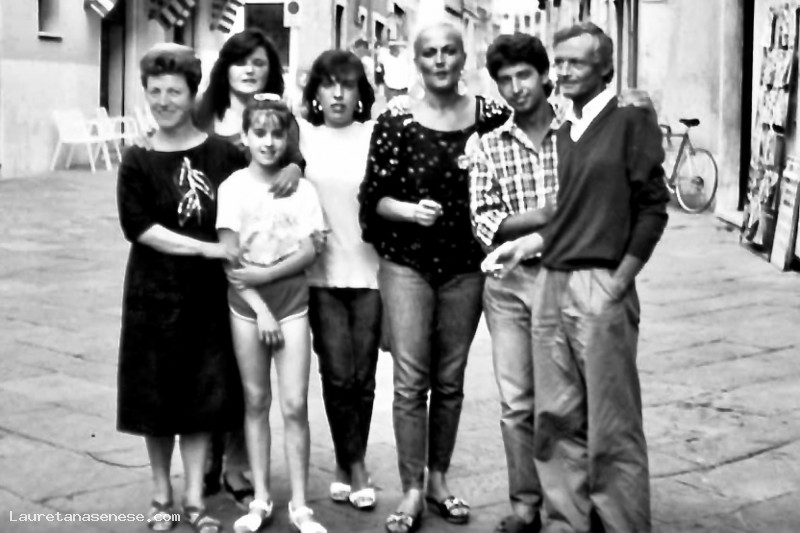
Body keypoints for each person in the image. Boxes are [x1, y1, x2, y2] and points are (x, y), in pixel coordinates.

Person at [487, 23, 669, 533]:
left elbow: (652, 208)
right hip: (552, 282)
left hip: (599, 284)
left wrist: (620, 280)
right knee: (555, 415)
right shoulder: (568, 130)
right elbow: (572, 215)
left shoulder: (630, 119)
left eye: (577, 62)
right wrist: (528, 245)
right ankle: (565, 520)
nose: (564, 71)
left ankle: (620, 522)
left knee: (612, 421)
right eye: (560, 61)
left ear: (605, 68)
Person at [359, 22, 511, 533]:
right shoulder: (396, 121)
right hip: (407, 265)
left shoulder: (491, 117)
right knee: (409, 381)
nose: (440, 60)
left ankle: (439, 479)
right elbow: (374, 199)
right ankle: (411, 488)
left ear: (464, 57)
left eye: (449, 51)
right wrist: (408, 211)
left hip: (467, 266)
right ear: (417, 60)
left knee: (449, 380)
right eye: (430, 53)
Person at [116, 43, 243, 533]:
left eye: (174, 91)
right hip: (153, 294)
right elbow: (139, 227)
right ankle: (160, 492)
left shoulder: (223, 154)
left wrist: (293, 169)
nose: (164, 101)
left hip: (207, 298)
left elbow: (262, 178)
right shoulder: (138, 158)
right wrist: (208, 250)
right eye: (155, 91)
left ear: (193, 94)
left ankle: (193, 498)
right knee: (155, 395)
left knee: (201, 394)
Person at [195, 28, 302, 505]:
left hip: (255, 262)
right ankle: (206, 457)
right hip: (206, 248)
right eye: (241, 61)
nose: (250, 69)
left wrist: (295, 167)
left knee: (246, 373)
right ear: (226, 67)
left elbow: (295, 160)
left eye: (259, 62)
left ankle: (237, 464)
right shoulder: (204, 115)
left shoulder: (278, 117)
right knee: (209, 364)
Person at [216, 96, 328, 533]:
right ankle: (261, 497)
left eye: (277, 134)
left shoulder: (302, 189)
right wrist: (260, 307)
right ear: (245, 137)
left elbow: (309, 250)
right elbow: (231, 261)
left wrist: (268, 277)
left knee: (295, 404)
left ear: (287, 139)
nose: (268, 142)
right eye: (259, 133)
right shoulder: (233, 188)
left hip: (291, 300)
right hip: (247, 306)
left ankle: (301, 503)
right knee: (256, 400)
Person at [467, 33, 559, 533]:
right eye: (505, 80)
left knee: (565, 400)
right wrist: (546, 214)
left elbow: (591, 206)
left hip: (566, 278)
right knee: (517, 402)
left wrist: (526, 221)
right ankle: (526, 505)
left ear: (544, 75)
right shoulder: (488, 146)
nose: (516, 87)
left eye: (524, 75)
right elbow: (485, 222)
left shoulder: (575, 135)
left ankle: (568, 504)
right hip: (508, 286)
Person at [299, 50, 380, 510]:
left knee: (363, 377)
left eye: (347, 85)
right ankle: (352, 464)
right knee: (336, 373)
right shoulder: (303, 138)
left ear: (359, 92)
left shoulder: (374, 135)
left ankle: (353, 461)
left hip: (370, 271)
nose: (337, 94)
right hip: (322, 274)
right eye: (328, 84)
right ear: (315, 91)